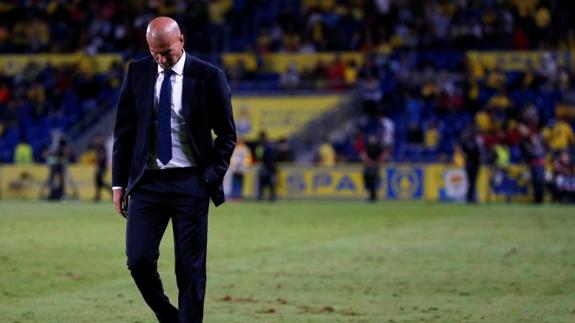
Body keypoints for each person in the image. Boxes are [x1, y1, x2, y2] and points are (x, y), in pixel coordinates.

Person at [111, 17, 236, 323]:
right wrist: (118, 185)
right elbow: (124, 132)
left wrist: (208, 178)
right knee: (138, 261)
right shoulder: (137, 72)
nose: (161, 59)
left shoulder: (209, 76)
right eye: (155, 53)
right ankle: (169, 317)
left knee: (190, 269)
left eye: (166, 51)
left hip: (191, 182)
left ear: (182, 38)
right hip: (147, 183)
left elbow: (227, 135)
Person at [459, 124, 482, 203]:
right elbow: (474, 152)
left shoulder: (476, 141)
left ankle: (470, 197)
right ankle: (471, 197)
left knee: (472, 181)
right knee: (471, 181)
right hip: (471, 163)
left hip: (474, 163)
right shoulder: (471, 142)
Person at [361, 134, 386, 202]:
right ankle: (371, 195)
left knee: (373, 180)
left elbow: (382, 155)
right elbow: (364, 155)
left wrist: (376, 162)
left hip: (376, 165)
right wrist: (369, 161)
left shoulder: (378, 147)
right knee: (366, 177)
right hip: (369, 165)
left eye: (373, 139)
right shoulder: (368, 147)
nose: (372, 140)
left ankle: (373, 196)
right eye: (371, 139)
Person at [92, 134, 111, 201]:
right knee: (98, 182)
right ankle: (98, 196)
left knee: (100, 182)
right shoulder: (99, 147)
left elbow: (102, 157)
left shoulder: (102, 147)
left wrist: (98, 163)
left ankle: (110, 191)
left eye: (97, 139)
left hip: (101, 167)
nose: (95, 141)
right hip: (101, 166)